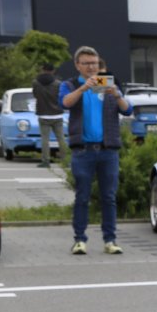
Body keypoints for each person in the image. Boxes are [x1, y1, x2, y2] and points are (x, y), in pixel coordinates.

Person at [60, 46, 132, 255]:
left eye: (94, 63)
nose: (91, 67)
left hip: (108, 150)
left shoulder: (107, 83)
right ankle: (80, 240)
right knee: (82, 196)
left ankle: (110, 240)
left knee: (108, 197)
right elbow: (65, 103)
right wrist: (83, 88)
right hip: (82, 151)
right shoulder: (70, 84)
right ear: (77, 65)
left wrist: (117, 95)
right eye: (86, 63)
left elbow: (127, 109)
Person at [32, 62, 66, 169]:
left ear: (42, 69)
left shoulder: (36, 83)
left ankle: (45, 161)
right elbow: (61, 97)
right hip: (57, 114)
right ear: (53, 71)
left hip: (43, 115)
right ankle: (65, 160)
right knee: (61, 138)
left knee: (45, 139)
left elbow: (35, 95)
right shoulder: (58, 83)